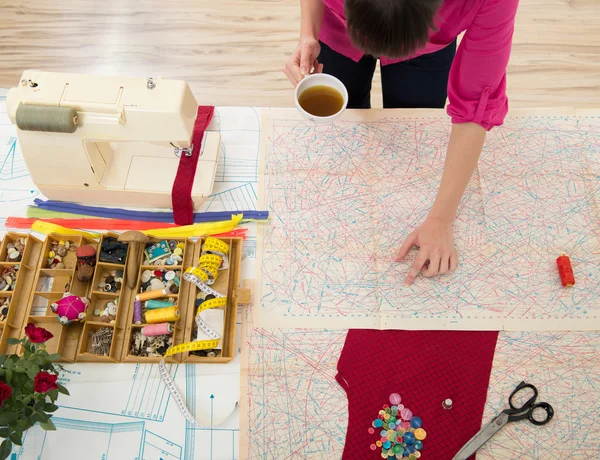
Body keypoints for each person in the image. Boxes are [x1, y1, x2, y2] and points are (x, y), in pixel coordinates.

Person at [283, 0, 519, 286]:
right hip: (338, 27)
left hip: (428, 47)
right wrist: (308, 33)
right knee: (345, 126)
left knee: (413, 134)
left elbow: (475, 103)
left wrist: (440, 220)